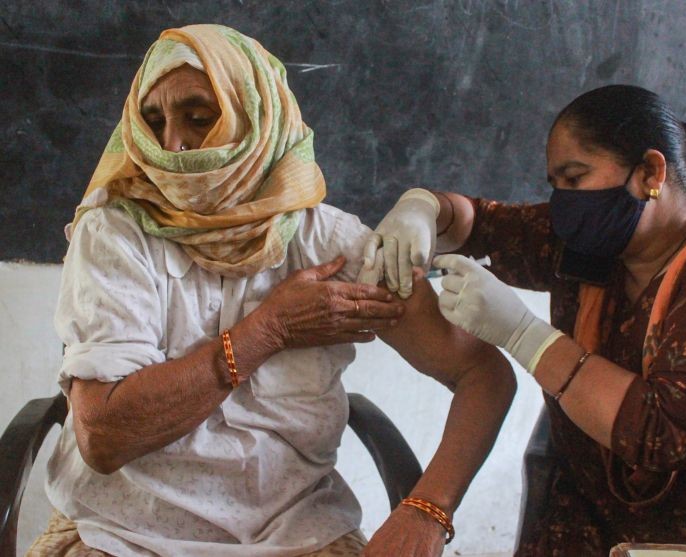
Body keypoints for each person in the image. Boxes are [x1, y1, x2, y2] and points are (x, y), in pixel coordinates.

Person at [28, 24, 516, 557]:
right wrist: (270, 330)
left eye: (199, 117)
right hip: (121, 535)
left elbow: (481, 374)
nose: (172, 144)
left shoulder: (327, 242)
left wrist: (427, 511)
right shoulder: (115, 233)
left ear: (257, 116)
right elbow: (103, 438)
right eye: (153, 122)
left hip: (298, 536)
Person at [365, 85, 686, 554]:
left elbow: (669, 432)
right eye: (555, 185)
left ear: (650, 171)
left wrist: (523, 335)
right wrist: (423, 208)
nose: (563, 202)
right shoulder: (595, 245)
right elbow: (478, 223)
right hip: (588, 526)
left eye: (574, 178)